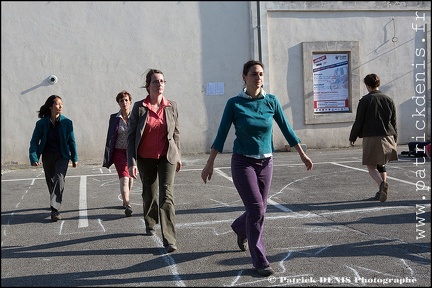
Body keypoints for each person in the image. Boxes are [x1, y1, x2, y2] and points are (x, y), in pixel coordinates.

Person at [200, 60, 313, 277]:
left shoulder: (271, 101)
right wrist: (210, 163)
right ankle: (260, 260)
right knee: (256, 210)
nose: (258, 77)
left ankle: (240, 228)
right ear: (244, 77)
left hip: (266, 162)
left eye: (261, 74)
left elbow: (286, 129)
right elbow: (222, 134)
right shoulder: (234, 104)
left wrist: (302, 154)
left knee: (260, 210)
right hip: (243, 162)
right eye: (254, 74)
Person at [127, 69, 182, 253]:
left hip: (167, 156)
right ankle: (150, 222)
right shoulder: (139, 107)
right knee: (149, 193)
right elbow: (131, 136)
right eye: (155, 81)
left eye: (162, 81)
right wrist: (132, 162)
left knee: (167, 195)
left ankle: (169, 239)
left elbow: (175, 133)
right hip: (145, 157)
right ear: (148, 85)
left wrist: (178, 155)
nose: (159, 84)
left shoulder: (171, 106)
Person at [349, 73, 398, 202]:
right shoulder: (388, 99)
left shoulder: (365, 100)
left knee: (371, 166)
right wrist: (395, 138)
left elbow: (359, 121)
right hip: (388, 136)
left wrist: (352, 137)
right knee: (381, 164)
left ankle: (382, 185)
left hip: (371, 137)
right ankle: (381, 190)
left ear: (367, 86)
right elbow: (393, 121)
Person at [29, 95, 78, 222]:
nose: (61, 106)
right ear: (51, 106)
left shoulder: (67, 122)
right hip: (47, 156)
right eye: (57, 104)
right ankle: (54, 202)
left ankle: (55, 210)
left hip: (62, 156)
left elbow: (72, 141)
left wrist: (74, 157)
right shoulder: (41, 124)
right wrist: (34, 157)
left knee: (59, 178)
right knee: (51, 181)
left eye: (62, 104)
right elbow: (34, 141)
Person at [103, 90, 134, 217]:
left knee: (131, 178)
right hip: (119, 153)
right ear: (118, 103)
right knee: (124, 178)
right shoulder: (114, 118)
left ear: (130, 102)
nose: (124, 102)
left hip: (132, 153)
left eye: (126, 100)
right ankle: (128, 204)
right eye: (121, 100)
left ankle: (126, 199)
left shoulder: (135, 117)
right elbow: (110, 136)